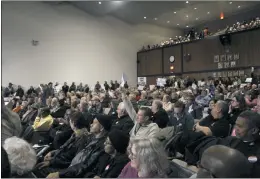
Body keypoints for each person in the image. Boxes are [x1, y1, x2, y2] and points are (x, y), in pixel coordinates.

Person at [46, 114, 113, 178]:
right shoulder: (90, 138)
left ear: (101, 128)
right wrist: (52, 158)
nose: (91, 125)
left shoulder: (102, 146)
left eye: (94, 123)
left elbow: (84, 166)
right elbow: (73, 156)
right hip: (69, 170)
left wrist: (60, 173)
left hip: (74, 174)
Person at [33, 111, 90, 178]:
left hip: (63, 169)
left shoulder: (83, 139)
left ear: (73, 123)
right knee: (36, 160)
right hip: (57, 160)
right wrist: (52, 152)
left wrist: (51, 162)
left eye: (70, 121)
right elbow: (64, 148)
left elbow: (72, 162)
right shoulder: (76, 134)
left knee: (36, 168)